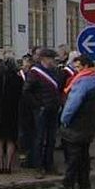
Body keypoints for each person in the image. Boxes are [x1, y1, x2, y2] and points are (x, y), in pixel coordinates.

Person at [59, 54, 95, 189]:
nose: (76, 70)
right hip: (89, 123)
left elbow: (72, 104)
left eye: (78, 67)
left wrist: (64, 119)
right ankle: (84, 183)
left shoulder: (82, 82)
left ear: (86, 66)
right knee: (84, 155)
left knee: (73, 156)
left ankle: (68, 184)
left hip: (77, 124)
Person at [22, 48, 62, 179]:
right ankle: (38, 166)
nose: (53, 61)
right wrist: (37, 105)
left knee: (51, 138)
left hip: (53, 108)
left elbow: (58, 88)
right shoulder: (35, 72)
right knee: (39, 138)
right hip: (41, 109)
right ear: (45, 59)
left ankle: (49, 164)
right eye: (51, 59)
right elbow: (27, 91)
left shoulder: (55, 72)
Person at [0, 55, 23, 174]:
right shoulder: (18, 79)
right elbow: (21, 95)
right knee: (10, 139)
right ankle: (8, 165)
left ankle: (1, 165)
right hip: (13, 111)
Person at [18, 54, 34, 168]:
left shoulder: (32, 75)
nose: (26, 64)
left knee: (30, 133)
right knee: (23, 133)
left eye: (28, 62)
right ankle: (23, 155)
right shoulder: (19, 75)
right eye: (24, 62)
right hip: (22, 107)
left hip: (31, 107)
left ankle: (30, 155)